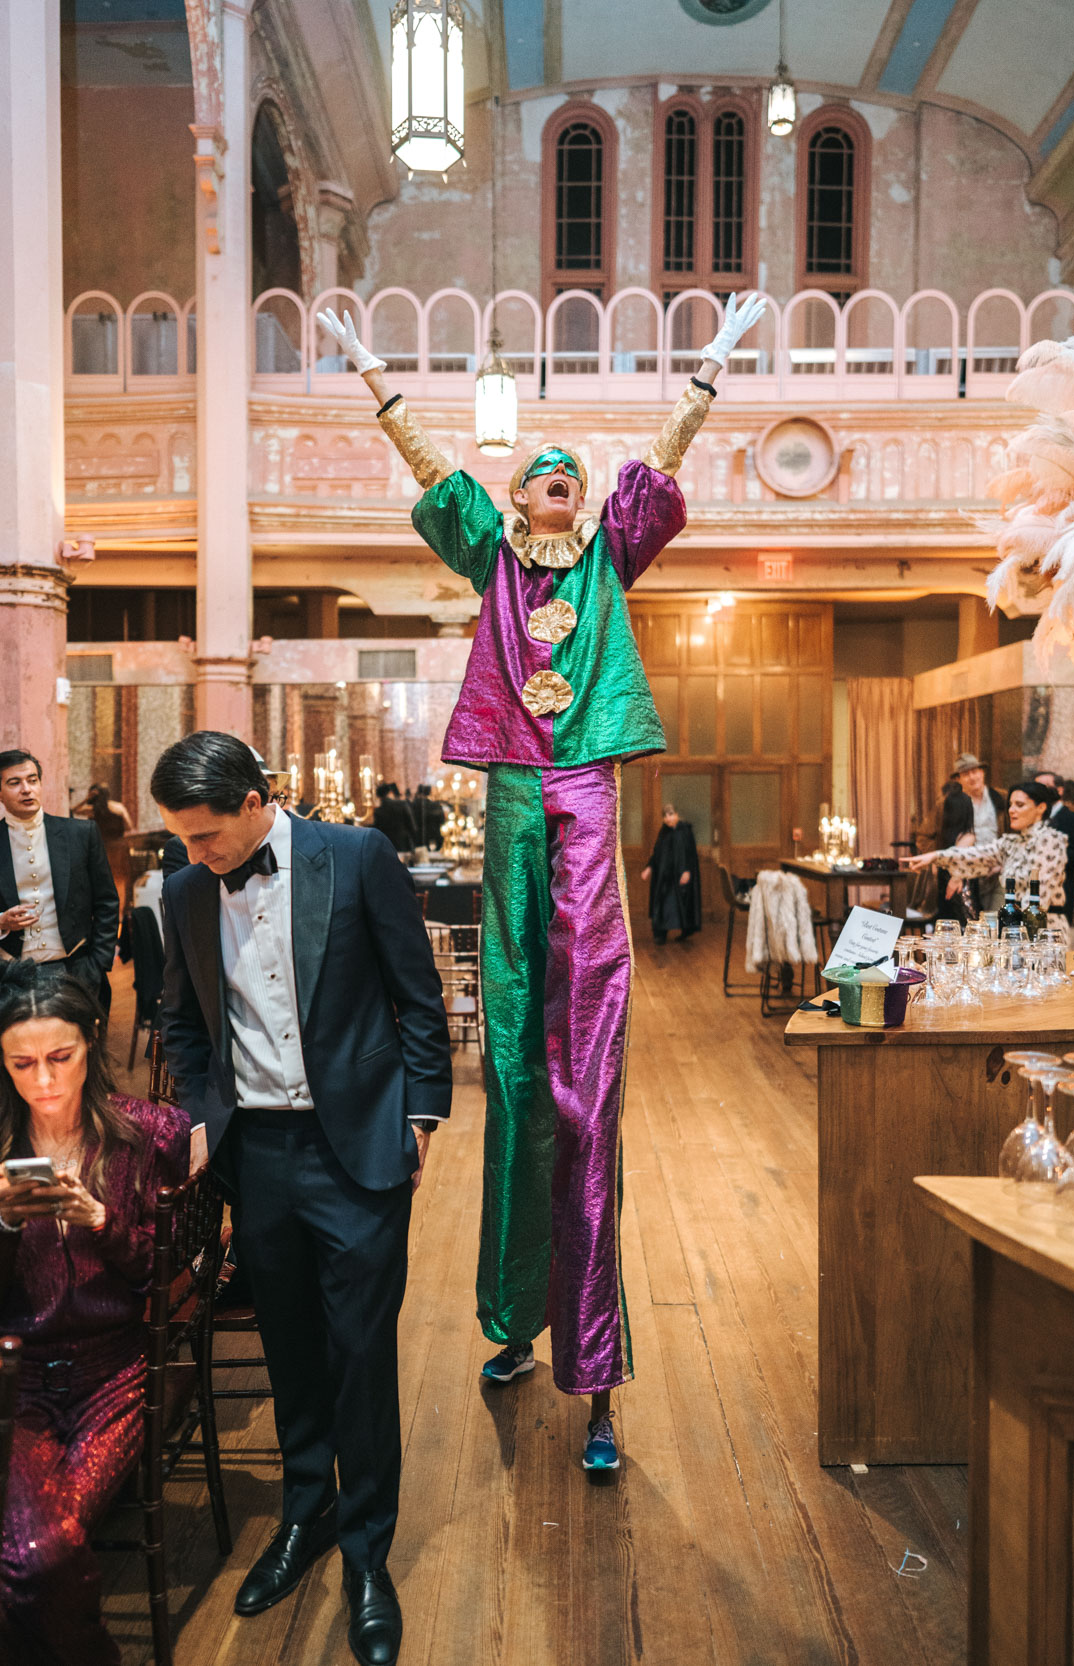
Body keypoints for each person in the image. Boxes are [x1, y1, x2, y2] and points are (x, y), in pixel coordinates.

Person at [318, 288, 767, 1471]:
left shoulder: (612, 552)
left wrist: (709, 369)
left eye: (573, 472)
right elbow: (425, 463)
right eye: (544, 471)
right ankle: (514, 1321)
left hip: (580, 794)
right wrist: (373, 369)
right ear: (516, 496)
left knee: (584, 1087)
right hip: (515, 790)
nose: (561, 478)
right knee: (513, 1077)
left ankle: (598, 1366)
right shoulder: (492, 556)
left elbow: (658, 462)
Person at [153, 732, 452, 1666]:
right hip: (259, 1155)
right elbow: (180, 1019)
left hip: (357, 1143)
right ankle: (304, 1511)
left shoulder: (355, 856)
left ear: (254, 802)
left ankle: (368, 1554)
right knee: (286, 1341)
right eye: (181, 840)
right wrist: (207, 1120)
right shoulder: (185, 889)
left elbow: (417, 996)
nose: (194, 856)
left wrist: (422, 1115)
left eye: (205, 836)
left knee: (360, 1353)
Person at [0, 965, 189, 1665]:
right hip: (16, 1380)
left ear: (90, 1047)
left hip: (114, 1372)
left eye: (61, 1057)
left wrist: (103, 1220)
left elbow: (167, 1279)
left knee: (41, 1556)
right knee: (29, 1554)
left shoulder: (145, 1135)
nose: (43, 1079)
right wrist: (4, 1224)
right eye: (22, 1063)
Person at [0, 750, 119, 1015]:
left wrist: (97, 963)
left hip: (75, 969)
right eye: (14, 783)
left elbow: (107, 901)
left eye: (32, 780)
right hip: (10, 974)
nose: (26, 789)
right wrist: (1, 922)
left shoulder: (80, 833)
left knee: (79, 1051)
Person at [904, 780, 1068, 923]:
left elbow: (1038, 901)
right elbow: (976, 856)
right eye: (1010, 805)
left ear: (1041, 808)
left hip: (1044, 933)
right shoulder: (1012, 842)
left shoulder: (1049, 840)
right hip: (1016, 930)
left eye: (1019, 805)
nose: (1011, 810)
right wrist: (935, 856)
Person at [1034, 770, 1074, 924]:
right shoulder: (1032, 820)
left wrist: (1054, 852)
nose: (1040, 791)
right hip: (1032, 890)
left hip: (1060, 891)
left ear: (1060, 790)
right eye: (1037, 787)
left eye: (1045, 786)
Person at [952, 752, 1006, 915]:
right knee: (971, 924)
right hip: (967, 874)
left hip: (998, 871)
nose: (972, 777)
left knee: (997, 919)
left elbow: (1015, 834)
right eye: (966, 774)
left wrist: (1004, 862)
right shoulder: (950, 804)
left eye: (974, 771)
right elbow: (925, 835)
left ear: (982, 772)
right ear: (958, 779)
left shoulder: (1002, 798)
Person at [642, 804, 701, 943]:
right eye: (665, 815)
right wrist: (649, 868)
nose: (668, 818)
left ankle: (686, 930)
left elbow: (690, 853)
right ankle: (660, 934)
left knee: (683, 904)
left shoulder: (685, 831)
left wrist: (687, 871)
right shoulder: (664, 832)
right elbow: (657, 853)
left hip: (681, 875)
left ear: (677, 815)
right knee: (664, 904)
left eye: (671, 814)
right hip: (664, 876)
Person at [72, 784, 133, 911]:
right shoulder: (118, 807)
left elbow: (74, 810)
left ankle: (107, 910)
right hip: (118, 847)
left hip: (102, 848)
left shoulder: (93, 809)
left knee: (102, 881)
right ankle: (120, 911)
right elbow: (129, 826)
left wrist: (86, 798)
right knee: (120, 881)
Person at [932, 780, 975, 925]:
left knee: (945, 926)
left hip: (943, 887)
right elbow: (960, 859)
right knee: (960, 926)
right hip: (958, 888)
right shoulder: (967, 837)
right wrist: (956, 878)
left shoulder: (943, 839)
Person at [373, 783, 417, 857]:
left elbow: (378, 832)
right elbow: (412, 826)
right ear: (389, 793)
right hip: (404, 845)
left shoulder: (378, 811)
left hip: (387, 847)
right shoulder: (402, 804)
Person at [412, 784, 445, 853]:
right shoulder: (436, 805)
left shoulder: (413, 805)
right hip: (433, 838)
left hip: (417, 838)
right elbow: (442, 820)